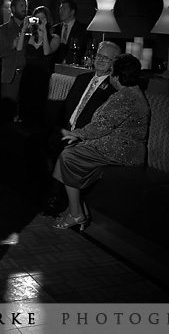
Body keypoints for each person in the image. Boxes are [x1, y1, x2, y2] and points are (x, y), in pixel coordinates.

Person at [52, 54, 150, 230]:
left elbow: (102, 125)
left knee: (68, 157)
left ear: (117, 76)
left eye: (112, 71)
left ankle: (76, 213)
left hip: (122, 151)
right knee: (68, 153)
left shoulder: (126, 97)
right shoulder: (129, 92)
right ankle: (76, 209)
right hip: (111, 145)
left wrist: (78, 134)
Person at [39, 40, 120, 216]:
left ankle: (56, 201)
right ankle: (43, 194)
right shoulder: (82, 78)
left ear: (115, 62)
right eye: (99, 55)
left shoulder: (113, 90)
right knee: (39, 142)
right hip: (65, 129)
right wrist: (60, 128)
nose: (100, 60)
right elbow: (65, 109)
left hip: (84, 136)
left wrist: (76, 134)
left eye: (106, 58)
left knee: (61, 150)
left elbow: (101, 122)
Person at [18, 5, 60, 125]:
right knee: (25, 107)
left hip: (43, 76)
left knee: (39, 108)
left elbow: (47, 52)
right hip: (28, 75)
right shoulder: (30, 36)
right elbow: (19, 48)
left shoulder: (54, 38)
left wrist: (45, 31)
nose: (39, 21)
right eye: (37, 18)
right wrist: (23, 29)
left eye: (42, 18)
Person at [0, 0, 28, 125]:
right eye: (22, 6)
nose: (25, 9)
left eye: (26, 6)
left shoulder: (31, 29)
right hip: (9, 77)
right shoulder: (3, 29)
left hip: (26, 76)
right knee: (6, 114)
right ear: (13, 9)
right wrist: (12, 45)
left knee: (25, 115)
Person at [51, 0, 89, 65]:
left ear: (72, 12)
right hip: (56, 66)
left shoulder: (82, 29)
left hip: (75, 65)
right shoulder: (55, 29)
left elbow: (86, 49)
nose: (61, 12)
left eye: (64, 9)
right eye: (60, 9)